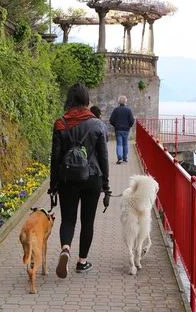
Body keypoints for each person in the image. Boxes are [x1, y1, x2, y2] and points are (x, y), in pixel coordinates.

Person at [49, 82, 110, 278]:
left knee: (68, 219)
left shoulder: (60, 123)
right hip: (93, 177)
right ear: (86, 100)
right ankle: (82, 262)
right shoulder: (97, 124)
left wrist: (53, 185)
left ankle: (65, 248)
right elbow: (103, 157)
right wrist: (106, 185)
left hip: (68, 178)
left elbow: (55, 158)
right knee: (88, 220)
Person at [109, 95, 135, 164]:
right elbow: (132, 120)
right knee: (125, 144)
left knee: (119, 144)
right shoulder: (128, 110)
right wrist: (129, 126)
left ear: (119, 102)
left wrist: (115, 125)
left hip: (118, 129)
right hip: (126, 129)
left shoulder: (116, 110)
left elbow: (111, 120)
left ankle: (119, 158)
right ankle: (125, 158)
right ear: (125, 102)